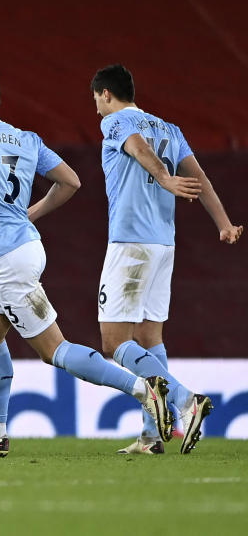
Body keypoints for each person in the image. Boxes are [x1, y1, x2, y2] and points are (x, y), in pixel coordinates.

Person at [0, 69, 173, 457]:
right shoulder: (26, 138)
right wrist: (27, 213)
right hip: (28, 246)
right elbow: (70, 181)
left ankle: (145, 391)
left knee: (54, 350)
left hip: (6, 256)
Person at [90, 64, 242, 455]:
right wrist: (223, 223)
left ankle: (186, 401)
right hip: (163, 245)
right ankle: (152, 436)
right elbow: (202, 178)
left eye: (95, 100)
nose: (95, 109)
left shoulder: (116, 122)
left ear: (106, 94)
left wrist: (164, 178)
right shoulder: (170, 129)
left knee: (113, 341)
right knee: (149, 338)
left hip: (130, 245)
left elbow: (139, 149)